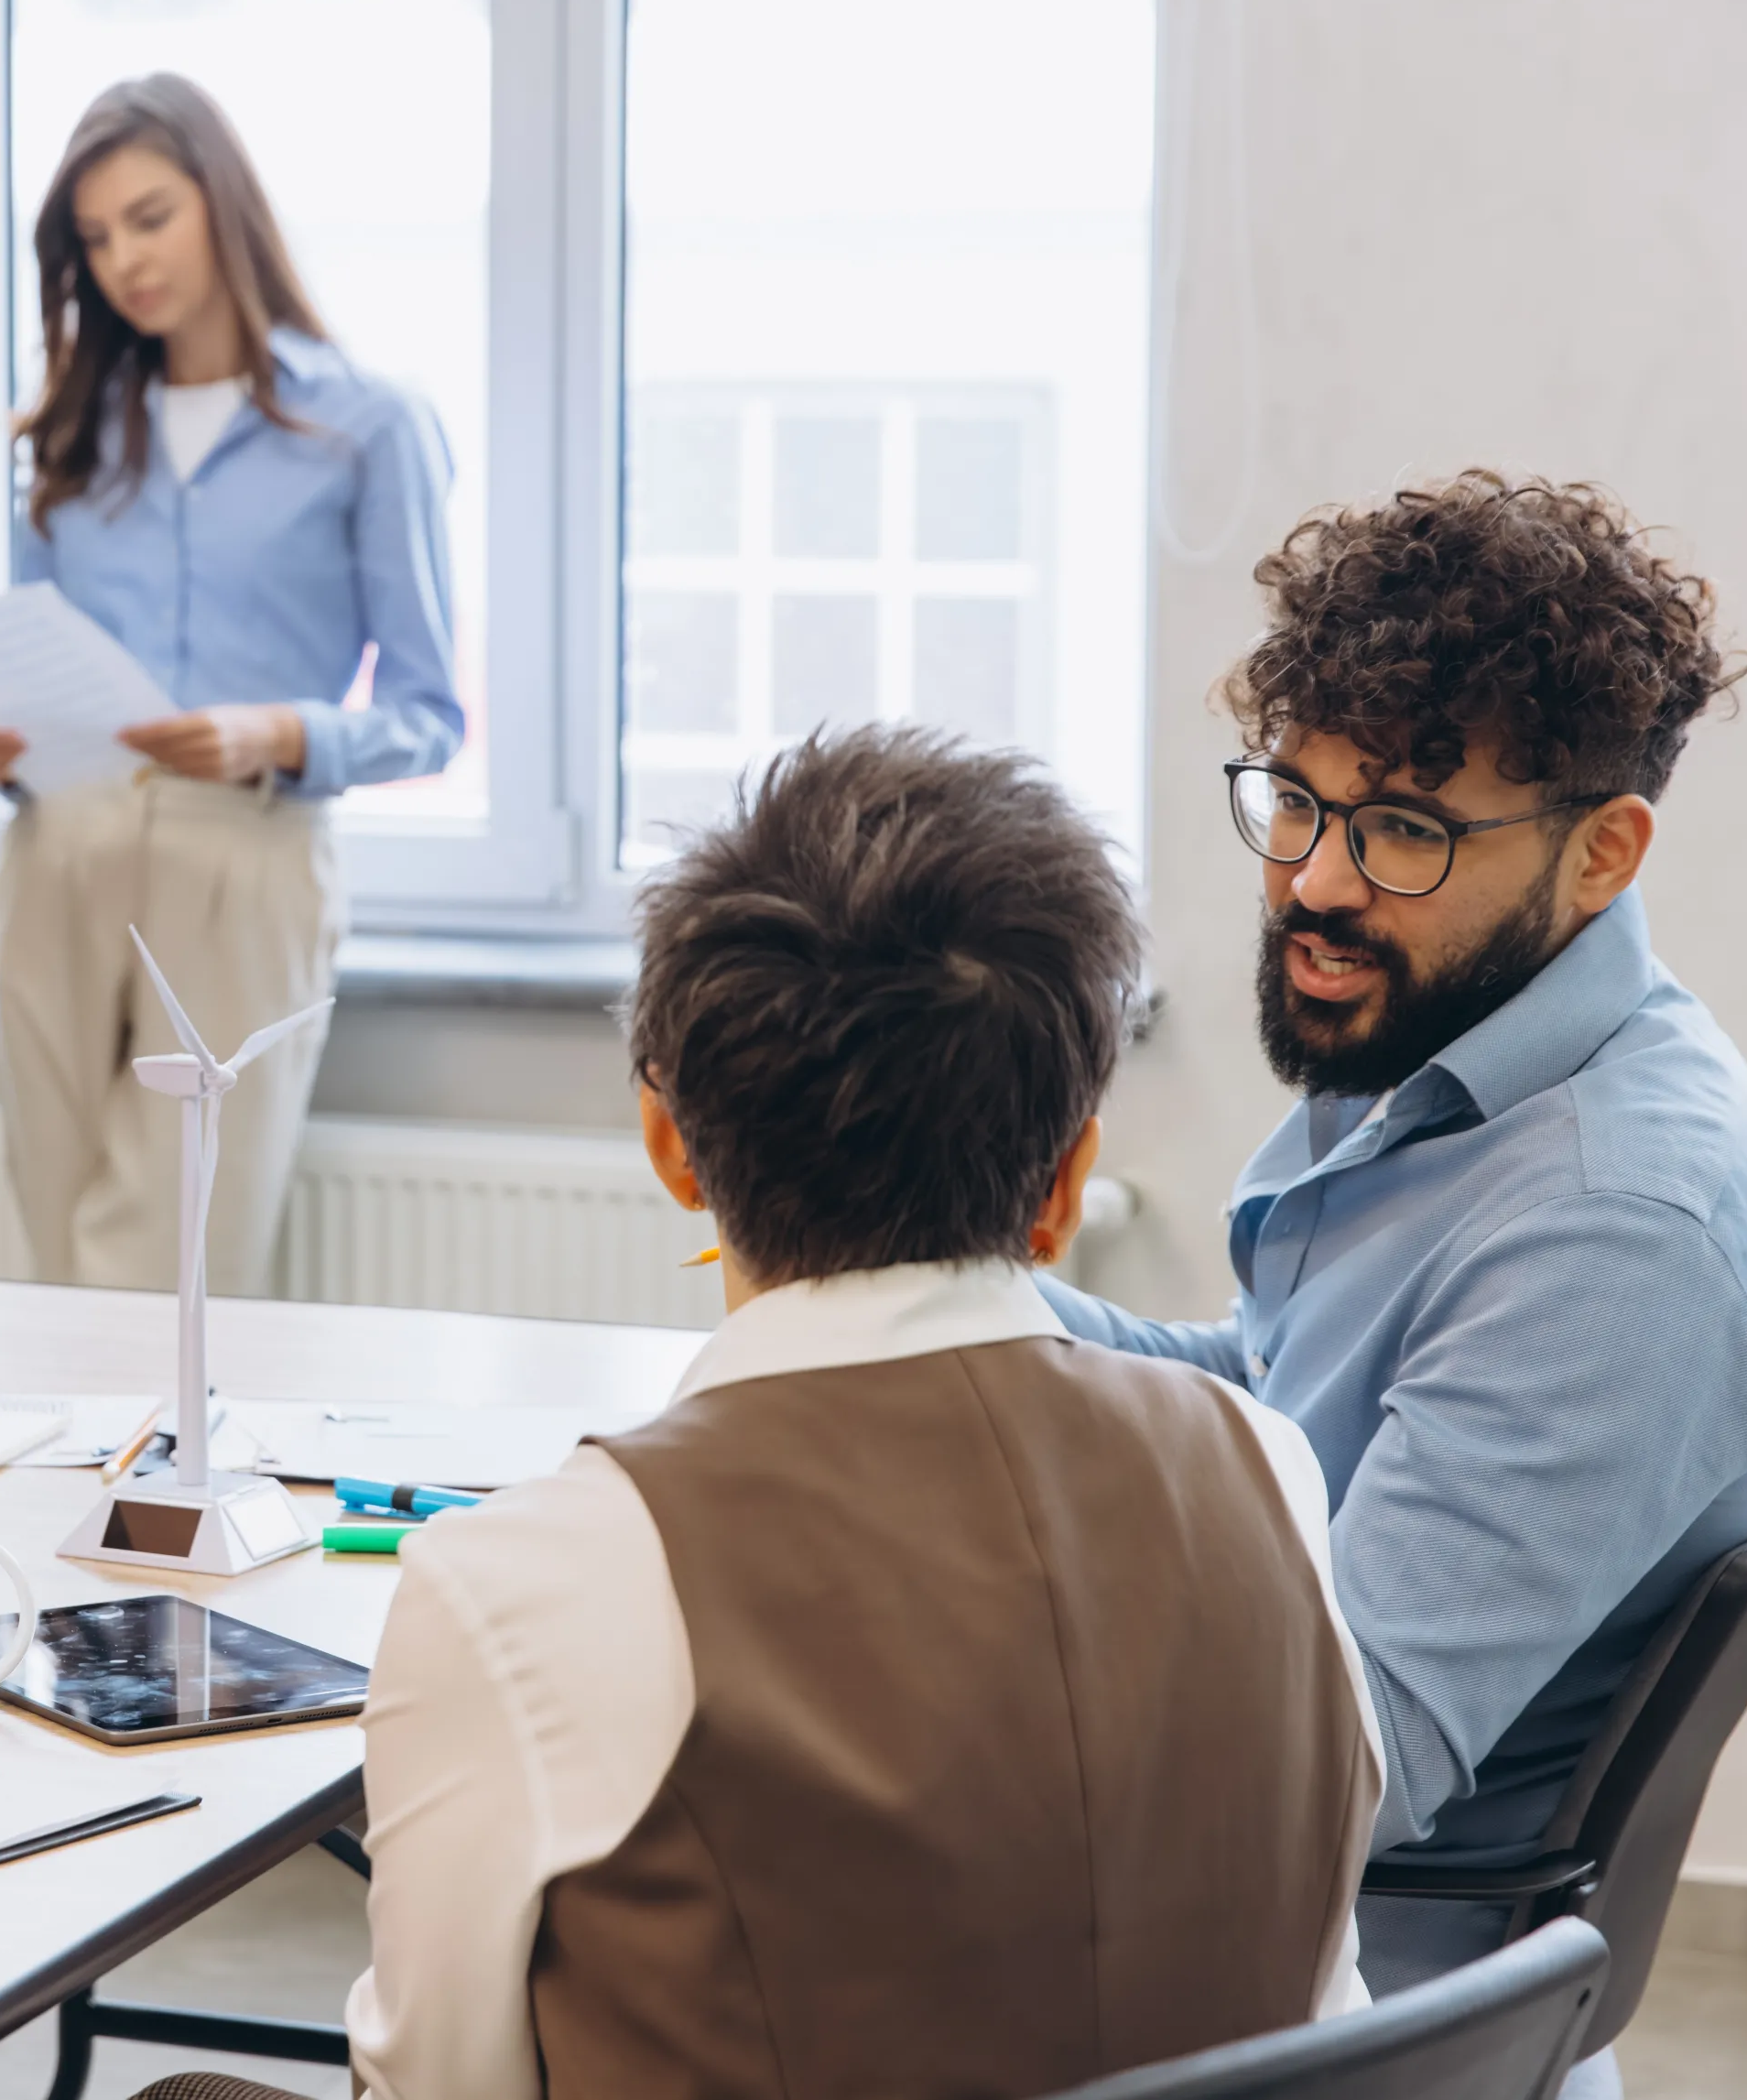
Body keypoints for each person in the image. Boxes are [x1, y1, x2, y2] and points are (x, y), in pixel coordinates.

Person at [350, 725, 1383, 2100]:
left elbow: (439, 2086)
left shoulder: (524, 1583)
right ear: (1067, 1181)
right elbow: (1332, 2010)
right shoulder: (1269, 1471)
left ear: (671, 1145)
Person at [1036, 474, 1747, 2085]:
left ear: (1605, 851)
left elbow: (1336, 1773)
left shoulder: (1620, 1223)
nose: (1319, 883)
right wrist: (939, 1316)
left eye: (1405, 827)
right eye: (1297, 802)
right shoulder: (1451, 1035)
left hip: (1334, 2024)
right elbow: (1289, 1395)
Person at [0, 73, 462, 1293]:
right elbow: (36, 667)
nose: (125, 259)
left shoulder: (370, 427)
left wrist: (277, 731)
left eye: (150, 217)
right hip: (59, 854)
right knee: (57, 1244)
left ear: (223, 203)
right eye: (96, 239)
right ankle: (78, 1486)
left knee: (176, 1258)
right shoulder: (65, 439)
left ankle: (156, 1484)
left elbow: (429, 718)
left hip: (247, 858)